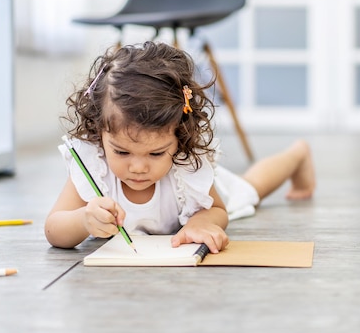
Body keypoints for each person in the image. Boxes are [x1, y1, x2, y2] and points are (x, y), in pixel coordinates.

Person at [45, 41, 315, 253]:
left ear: (180, 137)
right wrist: (82, 220)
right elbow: (54, 229)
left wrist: (200, 223)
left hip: (194, 200)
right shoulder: (94, 166)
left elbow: (218, 210)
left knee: (250, 188)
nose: (138, 167)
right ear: (98, 131)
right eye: (122, 151)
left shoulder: (186, 165)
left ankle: (297, 154)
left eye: (156, 153)